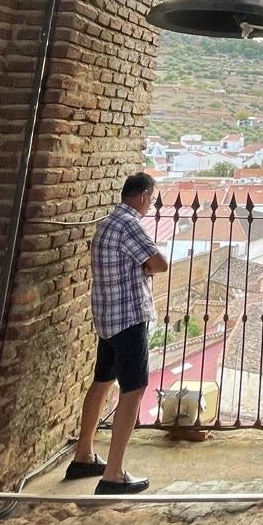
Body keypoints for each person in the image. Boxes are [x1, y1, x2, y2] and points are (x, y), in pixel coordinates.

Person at [66, 171, 168, 495]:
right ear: (143, 196)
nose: (150, 204)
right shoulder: (130, 225)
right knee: (134, 389)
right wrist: (145, 268)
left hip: (107, 316)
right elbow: (160, 262)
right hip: (129, 317)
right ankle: (113, 473)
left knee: (102, 382)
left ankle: (83, 455)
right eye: (151, 199)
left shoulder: (107, 223)